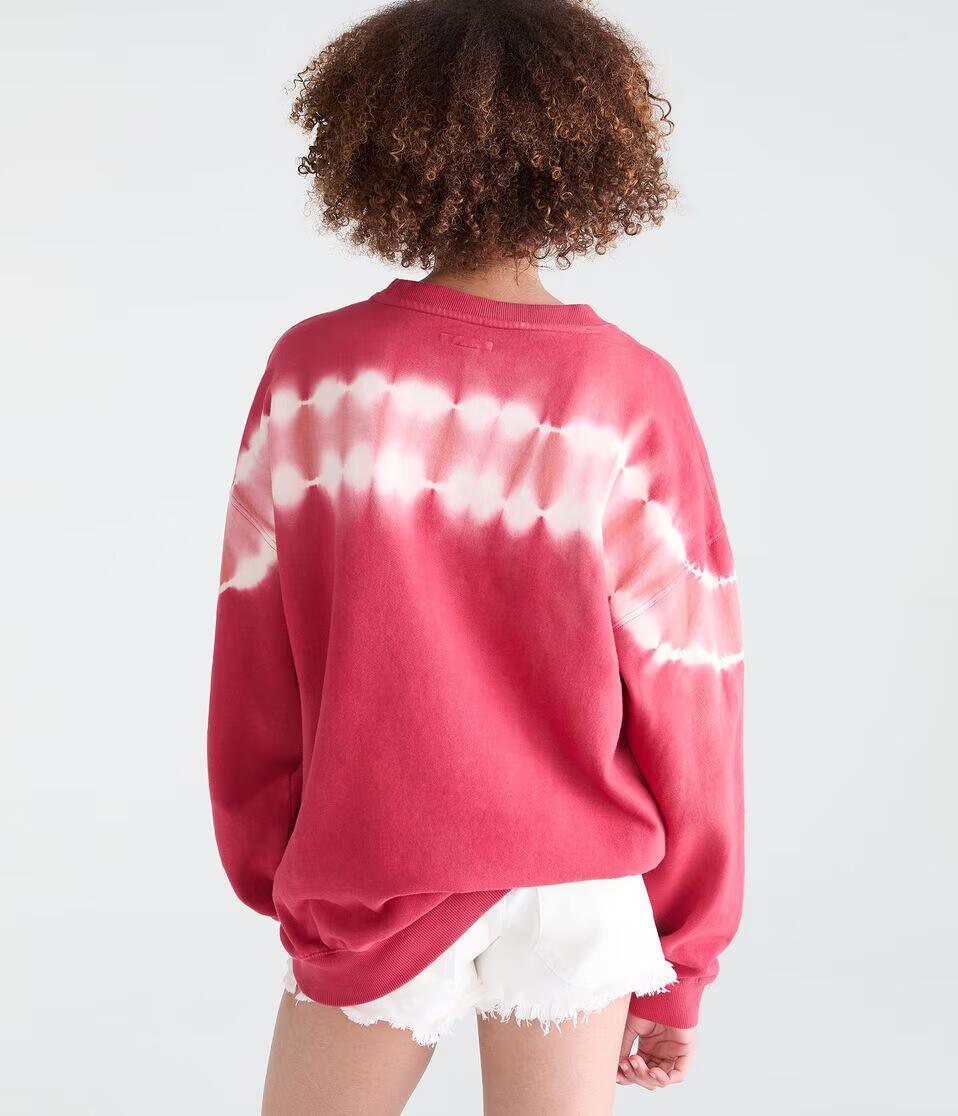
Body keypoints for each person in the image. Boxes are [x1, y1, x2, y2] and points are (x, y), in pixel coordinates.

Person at [206, 1, 744, 1112]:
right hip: (578, 882)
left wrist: (274, 862)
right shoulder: (628, 392)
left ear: (379, 138)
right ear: (591, 150)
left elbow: (256, 652)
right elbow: (691, 691)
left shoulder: (318, 378)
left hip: (370, 866)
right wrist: (684, 954)